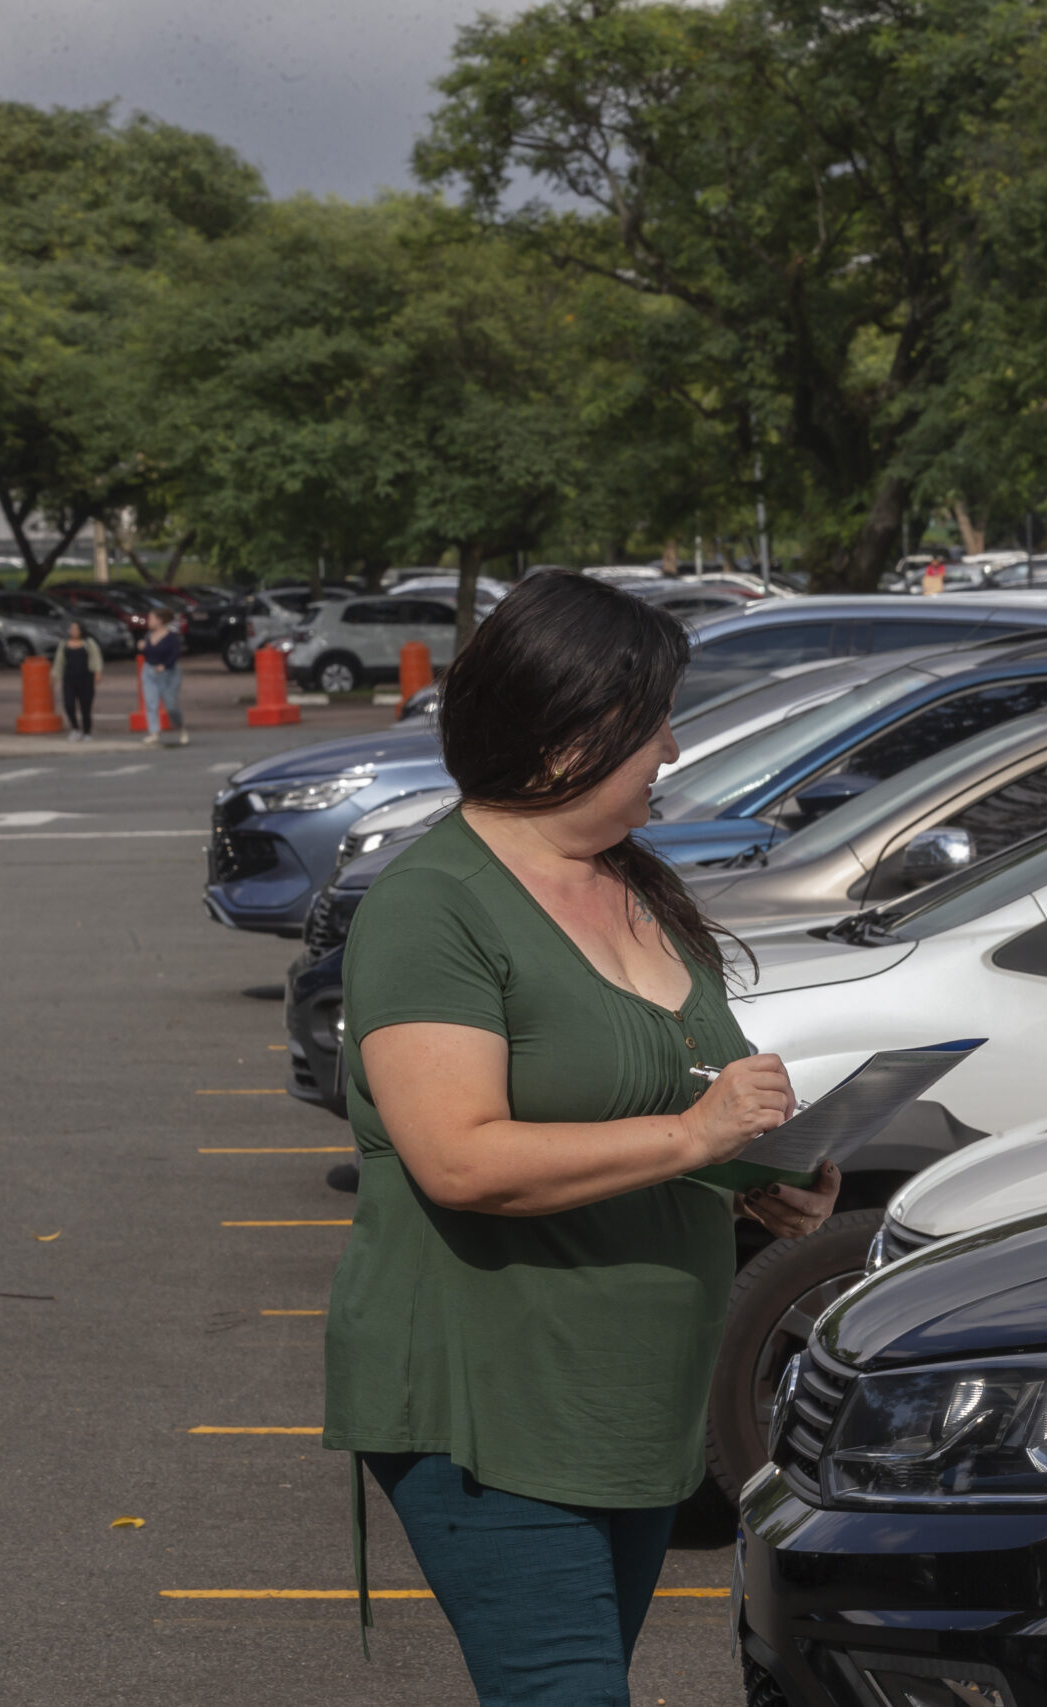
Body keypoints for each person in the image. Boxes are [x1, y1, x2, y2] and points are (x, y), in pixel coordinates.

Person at [323, 572, 836, 1707]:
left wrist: (761, 1180)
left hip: (635, 1401)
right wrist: (696, 1136)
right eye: (652, 721)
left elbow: (664, 1103)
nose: (670, 746)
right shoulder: (432, 908)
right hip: (494, 1402)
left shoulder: (632, 882)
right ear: (566, 738)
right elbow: (459, 1159)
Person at [137, 610, 184, 747]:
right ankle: (154, 733)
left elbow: (175, 653)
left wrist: (165, 665)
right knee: (151, 702)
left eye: (151, 618)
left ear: (160, 620)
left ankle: (180, 727)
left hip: (168, 674)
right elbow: (147, 652)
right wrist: (142, 647)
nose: (148, 621)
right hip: (149, 672)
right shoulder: (148, 636)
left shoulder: (171, 637)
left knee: (171, 705)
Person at [53, 621, 102, 740]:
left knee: (86, 705)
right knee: (68, 703)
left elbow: (96, 657)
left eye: (76, 629)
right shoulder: (64, 643)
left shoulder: (88, 643)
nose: (73, 631)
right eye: (72, 629)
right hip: (69, 678)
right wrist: (55, 675)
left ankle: (87, 731)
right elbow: (59, 661)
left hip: (86, 678)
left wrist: (98, 672)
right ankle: (75, 728)